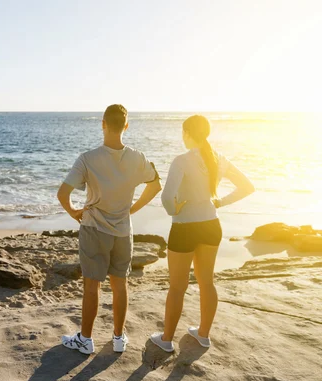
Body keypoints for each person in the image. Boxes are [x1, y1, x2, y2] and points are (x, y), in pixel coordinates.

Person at [57, 104, 162, 354]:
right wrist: (132, 209)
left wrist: (74, 213)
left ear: (102, 124)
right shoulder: (138, 158)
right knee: (120, 284)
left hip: (94, 229)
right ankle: (118, 338)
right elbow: (156, 185)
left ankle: (86, 339)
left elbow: (63, 194)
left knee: (92, 286)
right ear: (126, 126)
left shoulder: (87, 158)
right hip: (123, 231)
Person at [150, 115, 255, 352]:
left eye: (183, 132)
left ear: (187, 133)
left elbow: (167, 198)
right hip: (211, 224)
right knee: (207, 282)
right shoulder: (218, 159)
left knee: (177, 286)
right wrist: (219, 203)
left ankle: (166, 340)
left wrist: (173, 210)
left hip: (185, 226)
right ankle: (203, 335)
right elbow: (247, 187)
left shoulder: (181, 160)